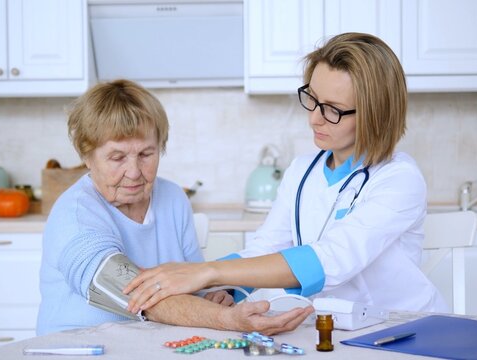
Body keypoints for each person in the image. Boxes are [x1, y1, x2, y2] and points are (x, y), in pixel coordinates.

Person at [124, 33, 448, 315]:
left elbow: (329, 260)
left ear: (376, 113)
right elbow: (265, 246)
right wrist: (228, 288)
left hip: (402, 327)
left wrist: (206, 272)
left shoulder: (398, 179)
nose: (314, 120)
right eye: (313, 100)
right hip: (334, 329)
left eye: (332, 110)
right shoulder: (302, 170)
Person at [36, 79, 313, 336]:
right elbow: (137, 295)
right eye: (117, 157)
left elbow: (191, 280)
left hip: (153, 345)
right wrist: (225, 319)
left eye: (146, 154)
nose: (134, 172)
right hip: (79, 347)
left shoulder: (172, 197)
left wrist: (212, 295)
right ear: (87, 156)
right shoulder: (75, 215)